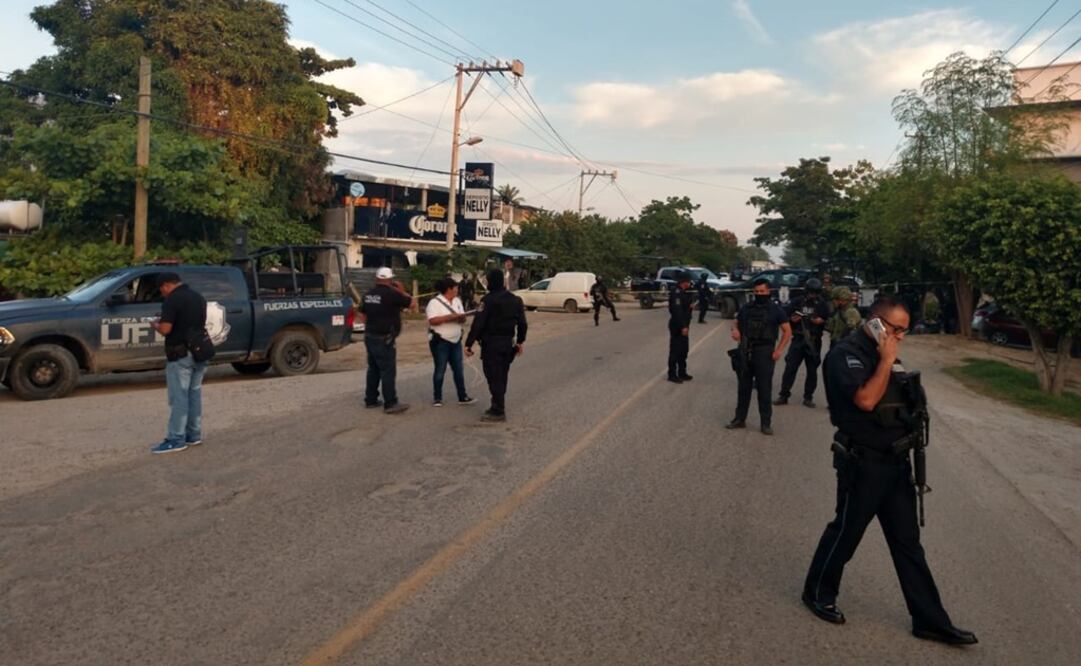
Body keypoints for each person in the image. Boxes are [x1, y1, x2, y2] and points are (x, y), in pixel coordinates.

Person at [802, 297, 977, 646]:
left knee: (908, 544)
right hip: (863, 463)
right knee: (846, 532)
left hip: (895, 464)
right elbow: (866, 400)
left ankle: (929, 619)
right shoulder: (846, 355)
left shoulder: (888, 355)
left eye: (904, 331)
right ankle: (817, 591)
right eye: (895, 329)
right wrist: (885, 359)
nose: (900, 337)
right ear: (876, 322)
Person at [149, 272, 208, 454]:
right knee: (194, 393)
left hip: (180, 354)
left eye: (162, 289)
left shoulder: (172, 300)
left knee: (179, 396)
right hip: (200, 351)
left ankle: (176, 439)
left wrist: (155, 325)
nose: (162, 293)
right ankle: (193, 434)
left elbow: (166, 329)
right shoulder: (198, 297)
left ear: (166, 285)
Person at [726, 277, 791, 435]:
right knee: (744, 388)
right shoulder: (747, 308)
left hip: (765, 352)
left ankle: (765, 423)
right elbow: (736, 322)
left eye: (762, 291)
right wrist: (735, 330)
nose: (759, 294)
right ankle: (739, 419)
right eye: (756, 291)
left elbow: (787, 331)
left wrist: (779, 350)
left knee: (764, 389)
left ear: (768, 291)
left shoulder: (776, 310)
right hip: (746, 350)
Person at [465, 269, 528, 422]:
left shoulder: (487, 301)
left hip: (491, 345)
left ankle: (498, 410)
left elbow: (478, 324)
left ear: (491, 281)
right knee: (502, 375)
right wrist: (520, 341)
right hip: (507, 344)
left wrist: (469, 344)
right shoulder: (516, 300)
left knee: (493, 376)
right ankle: (498, 404)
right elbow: (523, 324)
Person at [360, 267, 414, 414]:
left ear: (377, 278)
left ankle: (370, 399)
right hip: (385, 338)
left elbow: (363, 315)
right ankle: (390, 403)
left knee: (373, 369)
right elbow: (412, 303)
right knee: (388, 371)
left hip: (370, 335)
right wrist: (401, 289)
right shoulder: (393, 294)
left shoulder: (368, 294)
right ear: (390, 280)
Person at [775, 277, 830, 408]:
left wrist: (821, 321)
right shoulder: (797, 302)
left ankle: (808, 397)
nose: (812, 295)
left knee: (812, 371)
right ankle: (784, 395)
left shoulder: (822, 304)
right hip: (798, 339)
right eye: (811, 292)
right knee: (790, 368)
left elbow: (830, 321)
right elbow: (784, 316)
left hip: (814, 341)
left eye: (815, 293)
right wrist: (792, 319)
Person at [426, 278, 477, 408]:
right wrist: (450, 317)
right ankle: (437, 397)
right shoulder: (434, 302)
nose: (457, 290)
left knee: (458, 369)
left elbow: (462, 319)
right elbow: (432, 320)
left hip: (455, 340)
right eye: (455, 287)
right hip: (441, 341)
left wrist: (462, 317)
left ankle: (462, 396)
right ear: (449, 289)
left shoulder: (457, 301)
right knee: (440, 369)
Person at [666, 271, 695, 383]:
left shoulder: (684, 292)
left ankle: (682, 372)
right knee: (675, 350)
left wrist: (690, 307)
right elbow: (677, 312)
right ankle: (672, 374)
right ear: (684, 281)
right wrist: (683, 326)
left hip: (684, 324)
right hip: (677, 325)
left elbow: (684, 308)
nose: (690, 283)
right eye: (688, 281)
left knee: (683, 350)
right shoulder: (676, 293)